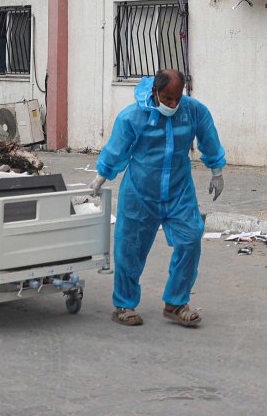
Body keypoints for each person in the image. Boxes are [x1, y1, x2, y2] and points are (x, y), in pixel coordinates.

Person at [91, 68, 225, 328]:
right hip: (140, 193)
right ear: (155, 92)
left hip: (178, 191)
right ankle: (124, 305)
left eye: (177, 98)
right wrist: (101, 177)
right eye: (167, 98)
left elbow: (209, 138)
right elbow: (116, 149)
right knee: (130, 248)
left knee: (190, 238)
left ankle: (176, 303)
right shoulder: (132, 117)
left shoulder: (193, 111)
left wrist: (216, 171)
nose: (173, 104)